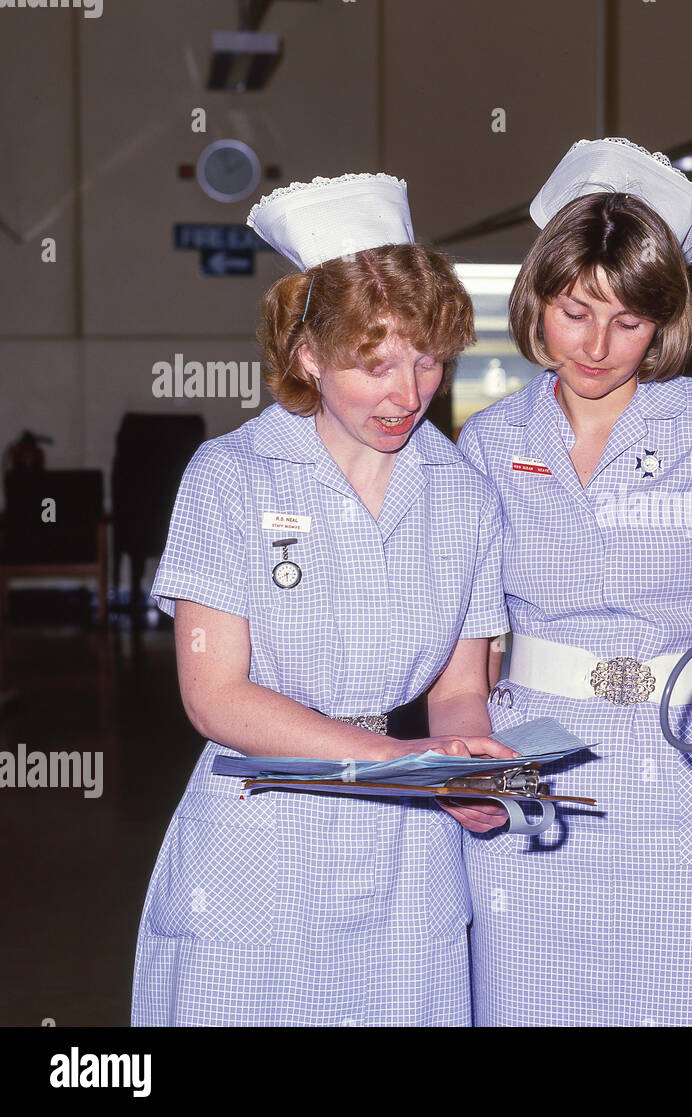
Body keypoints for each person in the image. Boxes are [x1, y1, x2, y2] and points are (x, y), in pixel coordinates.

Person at [131, 172, 511, 1026]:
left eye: (426, 359)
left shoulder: (464, 494)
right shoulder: (227, 478)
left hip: (408, 857)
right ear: (306, 355)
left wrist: (471, 768)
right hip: (259, 829)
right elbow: (214, 693)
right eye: (371, 365)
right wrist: (401, 767)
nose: (407, 394)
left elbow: (456, 688)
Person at [457, 138, 692, 1026]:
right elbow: (463, 638)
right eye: (576, 312)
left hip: (689, 763)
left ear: (664, 320)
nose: (598, 345)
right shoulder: (490, 441)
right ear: (538, 299)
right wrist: (463, 757)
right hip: (534, 756)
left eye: (628, 320)